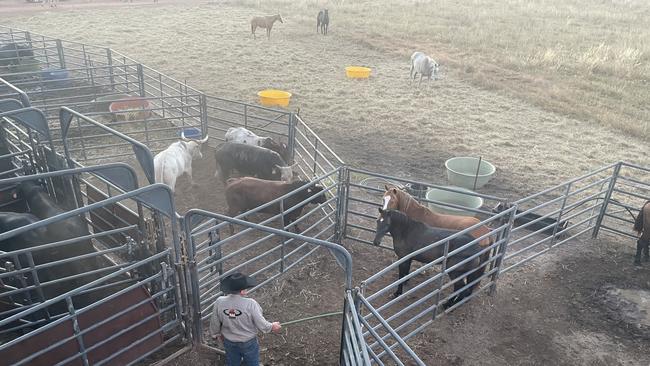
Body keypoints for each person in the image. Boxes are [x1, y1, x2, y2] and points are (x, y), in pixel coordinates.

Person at [210, 272, 282, 366]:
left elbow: (215, 321)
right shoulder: (250, 304)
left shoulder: (219, 301)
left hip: (229, 340)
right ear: (242, 291)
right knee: (252, 361)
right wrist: (272, 326)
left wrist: (216, 334)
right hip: (248, 342)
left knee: (232, 361)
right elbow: (261, 323)